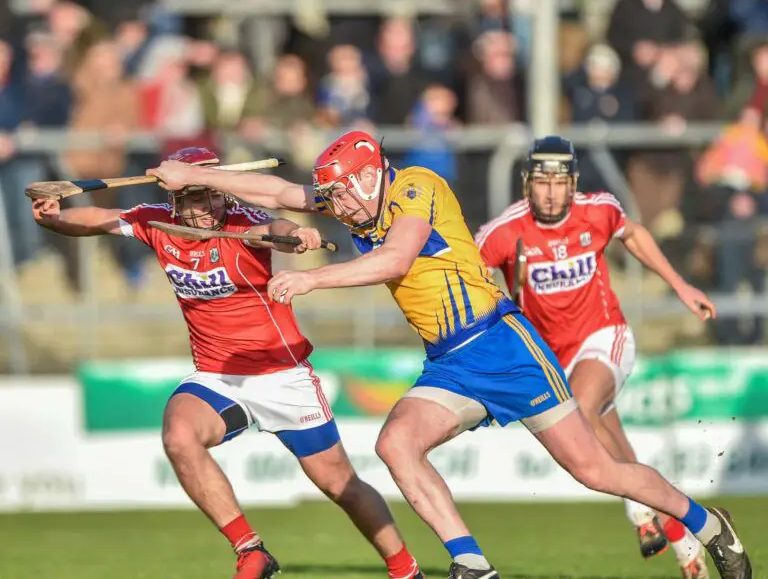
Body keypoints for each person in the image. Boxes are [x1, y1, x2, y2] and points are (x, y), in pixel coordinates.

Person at [147, 132, 752, 579]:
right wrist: (198, 177)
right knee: (395, 445)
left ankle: (703, 522)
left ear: (365, 179)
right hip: (450, 361)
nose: (335, 206)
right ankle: (471, 564)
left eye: (340, 195)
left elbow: (395, 261)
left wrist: (313, 280)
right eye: (329, 198)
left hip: (503, 344)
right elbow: (281, 190)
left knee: (594, 471)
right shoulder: (354, 197)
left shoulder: (416, 187)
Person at [31, 146, 423, 579]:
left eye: (211, 196)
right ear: (176, 200)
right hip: (217, 375)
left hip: (282, 377)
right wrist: (55, 219)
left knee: (339, 484)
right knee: (179, 435)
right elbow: (98, 220)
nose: (205, 206)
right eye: (194, 198)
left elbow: (275, 226)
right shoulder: (156, 223)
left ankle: (404, 568)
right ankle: (250, 550)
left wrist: (298, 234)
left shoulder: (244, 222)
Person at [475, 135, 715, 579]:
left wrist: (681, 286)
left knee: (582, 412)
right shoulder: (505, 231)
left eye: (559, 182)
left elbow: (635, 234)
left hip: (606, 337)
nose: (550, 192)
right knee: (614, 449)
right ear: (528, 183)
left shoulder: (598, 209)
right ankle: (676, 529)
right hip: (552, 359)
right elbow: (465, 275)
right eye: (542, 182)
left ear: (573, 183)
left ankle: (640, 513)